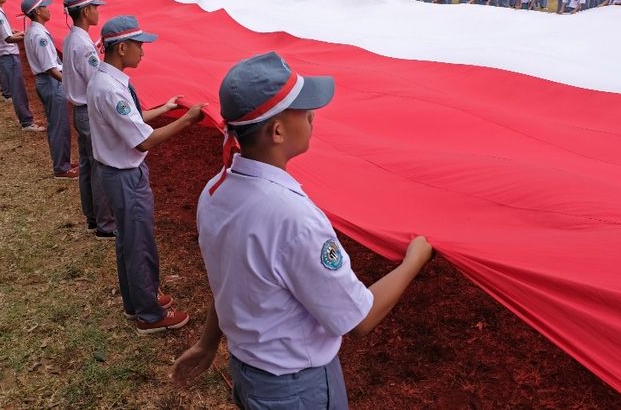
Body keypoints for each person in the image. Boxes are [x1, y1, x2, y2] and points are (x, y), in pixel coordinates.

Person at [171, 51, 435, 408]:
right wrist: (413, 261)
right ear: (277, 131)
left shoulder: (215, 191)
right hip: (295, 390)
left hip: (249, 374)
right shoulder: (293, 218)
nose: (312, 114)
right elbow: (359, 318)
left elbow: (230, 282)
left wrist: (207, 342)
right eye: (302, 108)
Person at [87, 15, 207, 334]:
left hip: (118, 172)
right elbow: (143, 138)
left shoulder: (108, 80)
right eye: (139, 46)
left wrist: (167, 109)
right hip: (125, 176)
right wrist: (187, 121)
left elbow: (134, 118)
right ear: (122, 47)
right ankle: (149, 314)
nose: (143, 52)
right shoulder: (109, 88)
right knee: (138, 241)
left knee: (129, 240)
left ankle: (137, 299)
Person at [61, 0, 116, 239]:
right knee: (99, 166)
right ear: (85, 11)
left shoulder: (73, 38)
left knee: (86, 164)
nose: (97, 11)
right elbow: (96, 81)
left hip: (79, 109)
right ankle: (105, 224)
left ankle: (93, 218)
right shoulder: (83, 44)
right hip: (88, 111)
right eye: (95, 8)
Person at [21, 0, 77, 180]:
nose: (48, 9)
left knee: (58, 123)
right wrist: (68, 84)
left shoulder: (34, 31)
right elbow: (51, 68)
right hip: (51, 82)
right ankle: (61, 168)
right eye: (44, 6)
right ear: (38, 11)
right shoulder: (39, 35)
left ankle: (63, 163)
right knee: (59, 125)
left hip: (47, 81)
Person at [0, 0, 45, 132]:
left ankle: (25, 119)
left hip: (5, 55)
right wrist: (28, 35)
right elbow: (8, 38)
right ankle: (26, 122)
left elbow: (7, 33)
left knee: (15, 87)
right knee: (18, 89)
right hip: (7, 55)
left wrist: (16, 32)